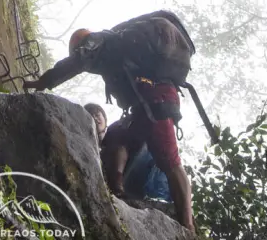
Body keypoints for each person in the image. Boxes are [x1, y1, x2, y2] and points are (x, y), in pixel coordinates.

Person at [23, 12, 196, 231]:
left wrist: (44, 81)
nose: (79, 51)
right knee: (118, 136)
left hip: (155, 98)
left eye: (78, 47)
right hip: (147, 102)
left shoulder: (98, 41)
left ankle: (188, 226)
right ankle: (117, 189)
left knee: (170, 160)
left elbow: (78, 61)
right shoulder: (117, 50)